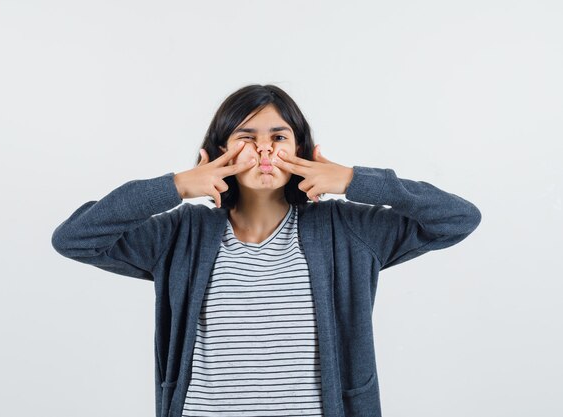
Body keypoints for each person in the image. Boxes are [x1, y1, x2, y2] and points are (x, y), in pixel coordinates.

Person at [51, 84, 481, 417]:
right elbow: (75, 237)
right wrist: (177, 186)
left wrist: (353, 180)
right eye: (246, 136)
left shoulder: (348, 228)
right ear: (221, 150)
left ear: (302, 150)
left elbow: (457, 218)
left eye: (279, 135)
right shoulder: (179, 234)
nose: (263, 150)